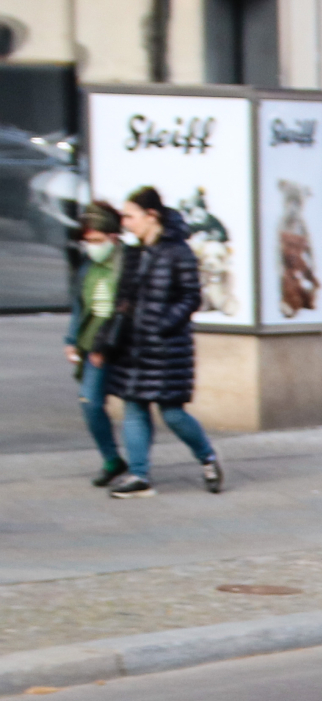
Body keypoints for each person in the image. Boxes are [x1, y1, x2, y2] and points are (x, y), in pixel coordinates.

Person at [104, 187, 221, 498]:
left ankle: (207, 457)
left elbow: (191, 296)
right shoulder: (133, 252)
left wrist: (164, 324)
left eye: (130, 216)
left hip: (168, 347)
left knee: (172, 412)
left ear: (151, 215)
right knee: (134, 406)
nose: (126, 223)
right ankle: (139, 475)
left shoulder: (178, 251)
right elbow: (122, 298)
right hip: (133, 345)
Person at [64, 202, 128, 488]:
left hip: (123, 344)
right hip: (93, 344)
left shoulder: (128, 262)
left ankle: (141, 467)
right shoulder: (88, 266)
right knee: (90, 401)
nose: (91, 246)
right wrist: (71, 340)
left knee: (142, 406)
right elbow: (80, 306)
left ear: (113, 236)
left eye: (97, 240)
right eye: (88, 241)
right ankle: (112, 458)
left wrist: (107, 344)